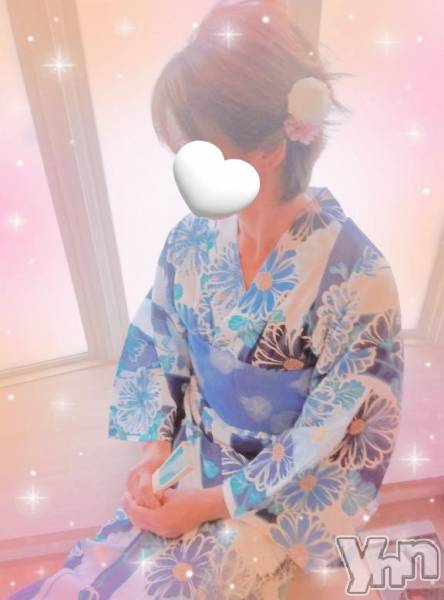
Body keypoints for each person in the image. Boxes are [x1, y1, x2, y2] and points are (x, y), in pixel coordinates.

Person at [10, 1, 404, 598]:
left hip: (275, 498)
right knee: (88, 579)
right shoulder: (192, 240)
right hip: (190, 461)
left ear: (270, 149)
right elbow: (158, 343)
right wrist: (155, 454)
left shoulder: (358, 280)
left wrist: (212, 504)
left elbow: (337, 439)